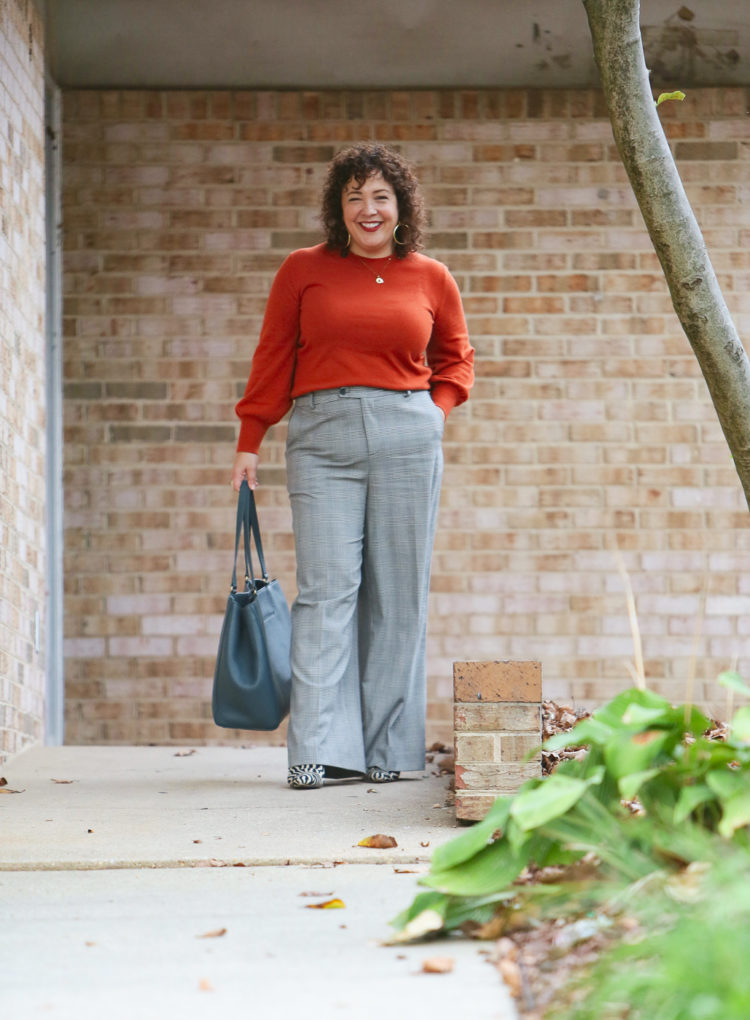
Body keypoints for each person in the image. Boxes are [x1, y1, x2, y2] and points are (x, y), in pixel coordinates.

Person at [231, 142, 474, 790]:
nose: (368, 209)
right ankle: (313, 752)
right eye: (355, 196)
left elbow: (456, 359)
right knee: (327, 592)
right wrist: (249, 440)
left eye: (381, 196)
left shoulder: (431, 277)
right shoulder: (301, 270)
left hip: (406, 434)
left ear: (401, 208)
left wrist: (434, 413)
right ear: (339, 209)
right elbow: (273, 355)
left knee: (398, 597)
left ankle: (388, 752)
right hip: (322, 439)